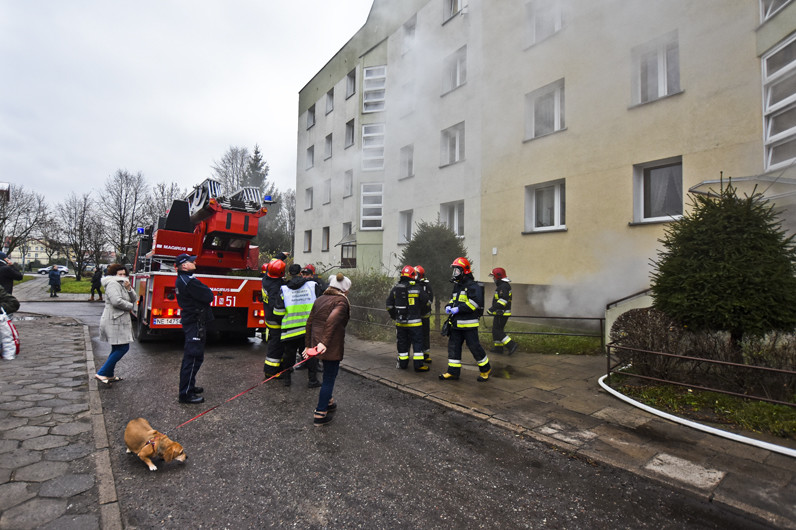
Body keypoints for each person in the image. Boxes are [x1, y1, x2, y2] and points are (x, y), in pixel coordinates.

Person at [304, 272, 351, 426]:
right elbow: (332, 321)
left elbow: (309, 322)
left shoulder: (320, 299)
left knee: (326, 374)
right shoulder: (341, 302)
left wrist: (309, 345)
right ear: (344, 289)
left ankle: (329, 401)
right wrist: (324, 343)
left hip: (317, 344)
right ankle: (320, 413)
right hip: (329, 345)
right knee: (329, 378)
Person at [440, 257, 492, 382]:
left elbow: (474, 303)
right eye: (454, 271)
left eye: (457, 270)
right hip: (456, 324)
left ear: (464, 271)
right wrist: (449, 306)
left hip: (469, 325)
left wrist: (458, 309)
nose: (455, 273)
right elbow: (454, 300)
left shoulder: (473, 286)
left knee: (474, 347)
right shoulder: (457, 286)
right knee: (453, 347)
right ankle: (453, 372)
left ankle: (486, 369)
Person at [174, 253, 214, 404]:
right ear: (184, 265)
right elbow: (209, 296)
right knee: (193, 357)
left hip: (194, 321)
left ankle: (189, 386)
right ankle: (185, 394)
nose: (195, 262)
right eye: (191, 261)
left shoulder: (185, 279)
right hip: (195, 322)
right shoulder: (189, 282)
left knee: (195, 357)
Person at [275, 263, 322, 387]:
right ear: (301, 273)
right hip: (308, 329)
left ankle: (287, 380)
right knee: (310, 354)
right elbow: (320, 304)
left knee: (289, 356)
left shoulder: (283, 289)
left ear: (289, 274)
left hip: (290, 330)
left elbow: (278, 312)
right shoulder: (312, 286)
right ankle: (312, 380)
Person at [95, 264, 137, 384]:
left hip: (118, 320)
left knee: (117, 348)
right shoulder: (113, 283)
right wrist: (130, 307)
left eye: (124, 274)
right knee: (123, 347)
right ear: (114, 275)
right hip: (114, 320)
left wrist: (129, 289)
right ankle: (102, 373)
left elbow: (134, 298)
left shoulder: (123, 284)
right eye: (120, 274)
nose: (123, 276)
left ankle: (109, 374)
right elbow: (116, 301)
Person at [386, 265, 429, 372]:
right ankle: (418, 366)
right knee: (417, 343)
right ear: (413, 276)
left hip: (400, 323)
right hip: (415, 323)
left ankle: (403, 364)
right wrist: (420, 312)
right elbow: (427, 303)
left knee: (402, 343)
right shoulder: (417, 288)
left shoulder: (396, 288)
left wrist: (394, 316)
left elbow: (389, 305)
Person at [261, 258, 287, 378]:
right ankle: (270, 371)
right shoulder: (276, 286)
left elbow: (272, 267)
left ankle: (278, 367)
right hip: (275, 319)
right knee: (276, 345)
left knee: (277, 343)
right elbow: (274, 305)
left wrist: (281, 256)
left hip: (268, 317)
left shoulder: (266, 278)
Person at [487, 267, 518, 355]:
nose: (493, 279)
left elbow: (503, 300)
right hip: (500, 312)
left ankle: (511, 345)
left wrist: (492, 309)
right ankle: (498, 348)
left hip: (502, 313)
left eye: (494, 277)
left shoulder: (504, 287)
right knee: (495, 330)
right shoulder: (503, 286)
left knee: (498, 331)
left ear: (498, 277)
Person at [414, 265, 433, 364]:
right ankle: (418, 354)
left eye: (416, 274)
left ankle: (426, 355)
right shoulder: (413, 285)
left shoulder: (426, 285)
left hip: (424, 315)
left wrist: (423, 306)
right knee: (416, 336)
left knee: (425, 335)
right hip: (415, 316)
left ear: (420, 275)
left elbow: (430, 299)